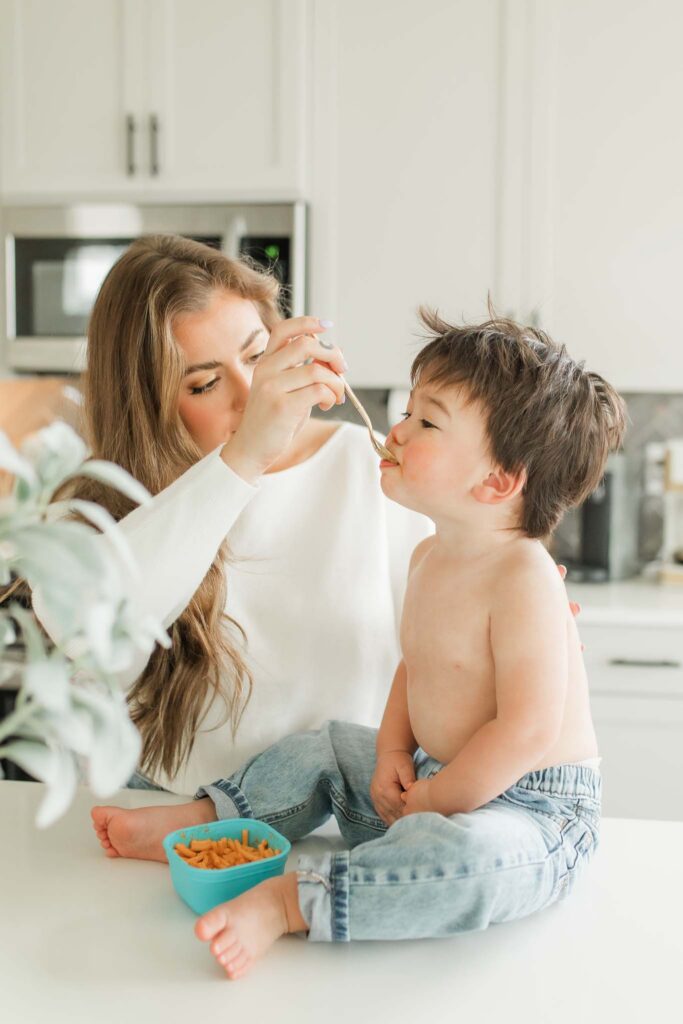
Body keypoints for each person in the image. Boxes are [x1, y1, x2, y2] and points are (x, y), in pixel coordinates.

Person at [92, 309, 625, 979]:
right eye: (407, 411)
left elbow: (526, 730)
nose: (396, 430)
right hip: (434, 780)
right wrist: (393, 753)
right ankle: (208, 819)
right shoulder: (432, 556)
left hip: (529, 809)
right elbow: (416, 666)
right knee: (324, 746)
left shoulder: (524, 577)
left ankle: (295, 901)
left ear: (495, 482)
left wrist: (442, 800)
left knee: (476, 864)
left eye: (426, 423)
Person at [30, 235, 433, 795]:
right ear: (147, 406)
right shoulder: (101, 507)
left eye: (255, 355)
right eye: (205, 383)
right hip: (166, 813)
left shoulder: (372, 468)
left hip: (338, 818)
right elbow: (90, 629)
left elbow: (443, 648)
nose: (251, 397)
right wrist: (246, 455)